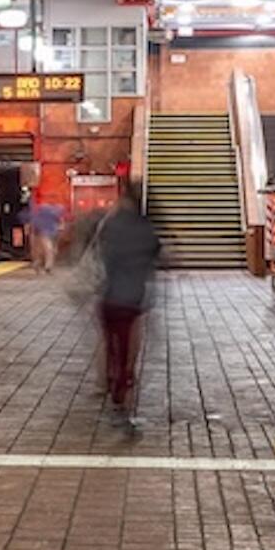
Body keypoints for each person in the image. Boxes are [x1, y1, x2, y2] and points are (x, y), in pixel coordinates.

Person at [91, 183, 162, 430]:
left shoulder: (112, 225)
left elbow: (100, 252)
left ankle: (111, 383)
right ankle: (121, 397)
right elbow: (155, 257)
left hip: (108, 298)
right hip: (132, 301)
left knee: (111, 346)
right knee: (127, 354)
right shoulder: (146, 229)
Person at [29, 199, 64, 274]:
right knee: (49, 250)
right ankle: (47, 266)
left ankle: (39, 264)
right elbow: (61, 222)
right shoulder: (56, 211)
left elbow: (34, 224)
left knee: (46, 250)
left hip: (46, 233)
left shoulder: (40, 213)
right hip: (47, 234)